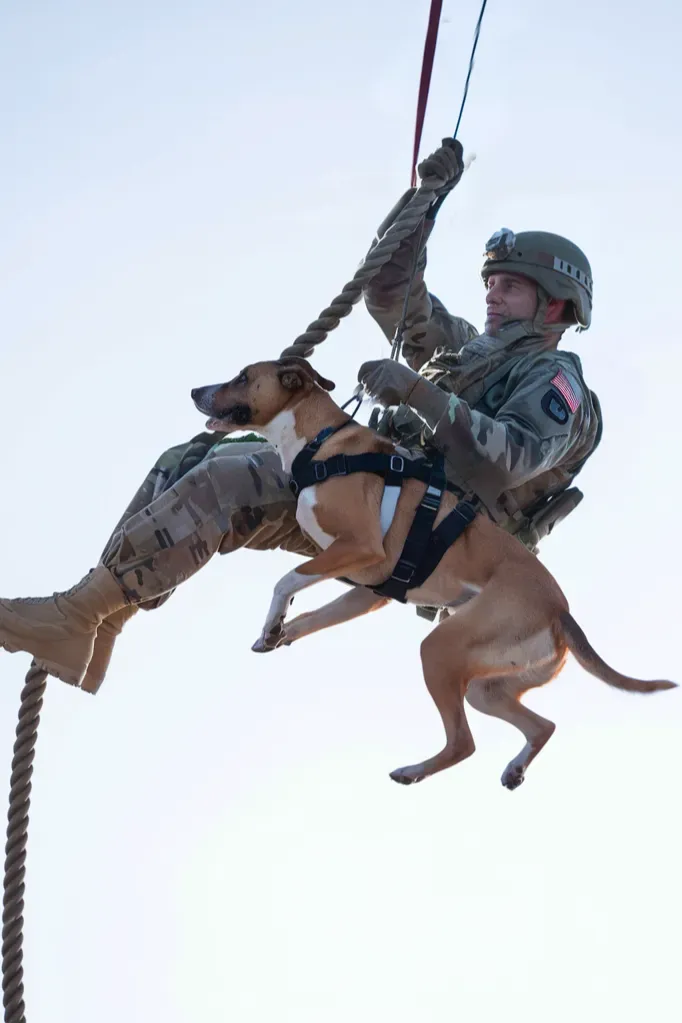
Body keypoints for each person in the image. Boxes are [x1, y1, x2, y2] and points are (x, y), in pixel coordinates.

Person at [0, 140, 602, 692]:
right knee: (190, 459)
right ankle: (98, 622)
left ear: (554, 305)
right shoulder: (461, 349)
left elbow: (512, 458)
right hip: (365, 489)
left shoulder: (554, 382)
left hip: (412, 528)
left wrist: (420, 394)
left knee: (229, 482)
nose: (492, 294)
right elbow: (389, 288)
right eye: (491, 282)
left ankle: (78, 615)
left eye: (511, 287)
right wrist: (423, 202)